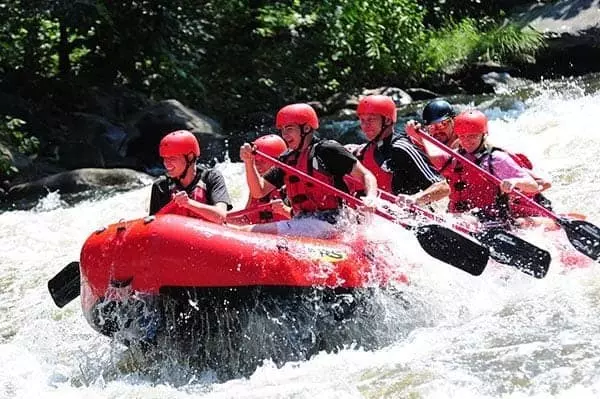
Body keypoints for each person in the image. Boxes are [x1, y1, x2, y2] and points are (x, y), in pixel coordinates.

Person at [238, 103, 378, 238]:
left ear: (306, 129)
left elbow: (366, 175)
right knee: (245, 230)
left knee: (246, 232)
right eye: (283, 130)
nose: (285, 135)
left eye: (290, 129)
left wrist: (371, 197)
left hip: (331, 221)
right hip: (303, 221)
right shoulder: (287, 159)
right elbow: (259, 191)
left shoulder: (327, 150)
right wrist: (249, 162)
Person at [406, 99, 552, 192]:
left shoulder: (474, 147)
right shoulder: (431, 144)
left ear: (454, 122)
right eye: (432, 127)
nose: (438, 130)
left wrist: (516, 185)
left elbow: (543, 183)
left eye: (443, 124)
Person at [438, 110, 551, 226]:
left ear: (483, 134)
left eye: (472, 136)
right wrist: (418, 134)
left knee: (464, 221)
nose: (467, 141)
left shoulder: (497, 159)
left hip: (496, 216)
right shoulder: (457, 157)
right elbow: (432, 157)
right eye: (462, 136)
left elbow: (533, 186)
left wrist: (514, 181)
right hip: (474, 214)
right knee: (447, 218)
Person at [352, 95, 450, 206]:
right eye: (362, 120)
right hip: (381, 217)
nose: (365, 126)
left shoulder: (401, 148)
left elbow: (443, 187)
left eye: (371, 119)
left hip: (411, 218)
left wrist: (416, 199)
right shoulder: (368, 148)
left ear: (387, 120)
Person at [149, 130, 232, 223]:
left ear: (190, 157)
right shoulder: (161, 186)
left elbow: (220, 216)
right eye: (164, 159)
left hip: (209, 234)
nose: (166, 164)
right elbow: (153, 225)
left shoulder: (211, 178)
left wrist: (189, 204)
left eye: (172, 158)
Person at [240, 134, 291, 224]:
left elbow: (304, 221)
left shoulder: (291, 184)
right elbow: (244, 219)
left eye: (262, 161)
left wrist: (285, 210)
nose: (257, 165)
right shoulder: (257, 185)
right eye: (255, 161)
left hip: (286, 233)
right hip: (258, 234)